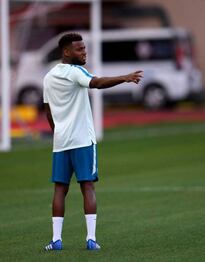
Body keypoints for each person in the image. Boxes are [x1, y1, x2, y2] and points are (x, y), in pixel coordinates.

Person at [43, 32, 142, 251]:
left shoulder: (48, 77)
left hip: (61, 143)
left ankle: (56, 240)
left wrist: (58, 133)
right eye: (79, 49)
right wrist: (124, 77)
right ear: (67, 52)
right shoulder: (75, 72)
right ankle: (91, 239)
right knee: (87, 186)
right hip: (82, 140)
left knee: (60, 189)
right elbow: (95, 83)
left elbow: (48, 112)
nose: (84, 52)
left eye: (85, 48)